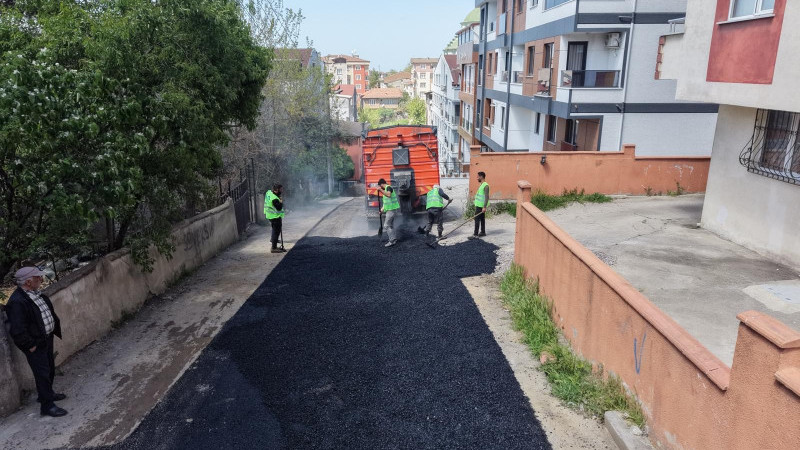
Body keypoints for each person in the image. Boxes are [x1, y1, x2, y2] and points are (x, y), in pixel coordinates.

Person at [5, 267, 67, 417]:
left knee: (49, 369)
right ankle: (47, 406)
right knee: (42, 374)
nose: (41, 280)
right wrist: (30, 346)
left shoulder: (34, 294)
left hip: (46, 338)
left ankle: (47, 395)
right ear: (28, 281)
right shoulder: (17, 302)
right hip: (35, 344)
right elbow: (17, 330)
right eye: (38, 278)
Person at [376, 178, 400, 247]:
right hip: (390, 210)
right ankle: (394, 239)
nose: (380, 187)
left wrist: (380, 190)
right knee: (390, 225)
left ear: (381, 184)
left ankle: (391, 240)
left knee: (386, 225)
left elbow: (389, 195)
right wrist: (381, 210)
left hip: (391, 210)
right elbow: (386, 203)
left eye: (380, 186)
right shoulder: (385, 190)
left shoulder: (388, 187)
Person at [264, 183, 285, 253]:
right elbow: (279, 208)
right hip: (275, 216)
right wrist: (281, 201)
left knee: (274, 230)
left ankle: (273, 241)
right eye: (281, 189)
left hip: (269, 215)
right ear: (276, 190)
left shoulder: (269, 192)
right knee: (276, 231)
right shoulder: (274, 199)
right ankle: (274, 248)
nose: (282, 190)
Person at [470, 171, 489, 239]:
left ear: (481, 177)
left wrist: (484, 207)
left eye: (477, 177)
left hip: (481, 206)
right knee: (482, 219)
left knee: (477, 219)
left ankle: (475, 234)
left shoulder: (486, 186)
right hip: (479, 205)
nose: (477, 178)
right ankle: (483, 232)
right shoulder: (482, 184)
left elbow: (487, 197)